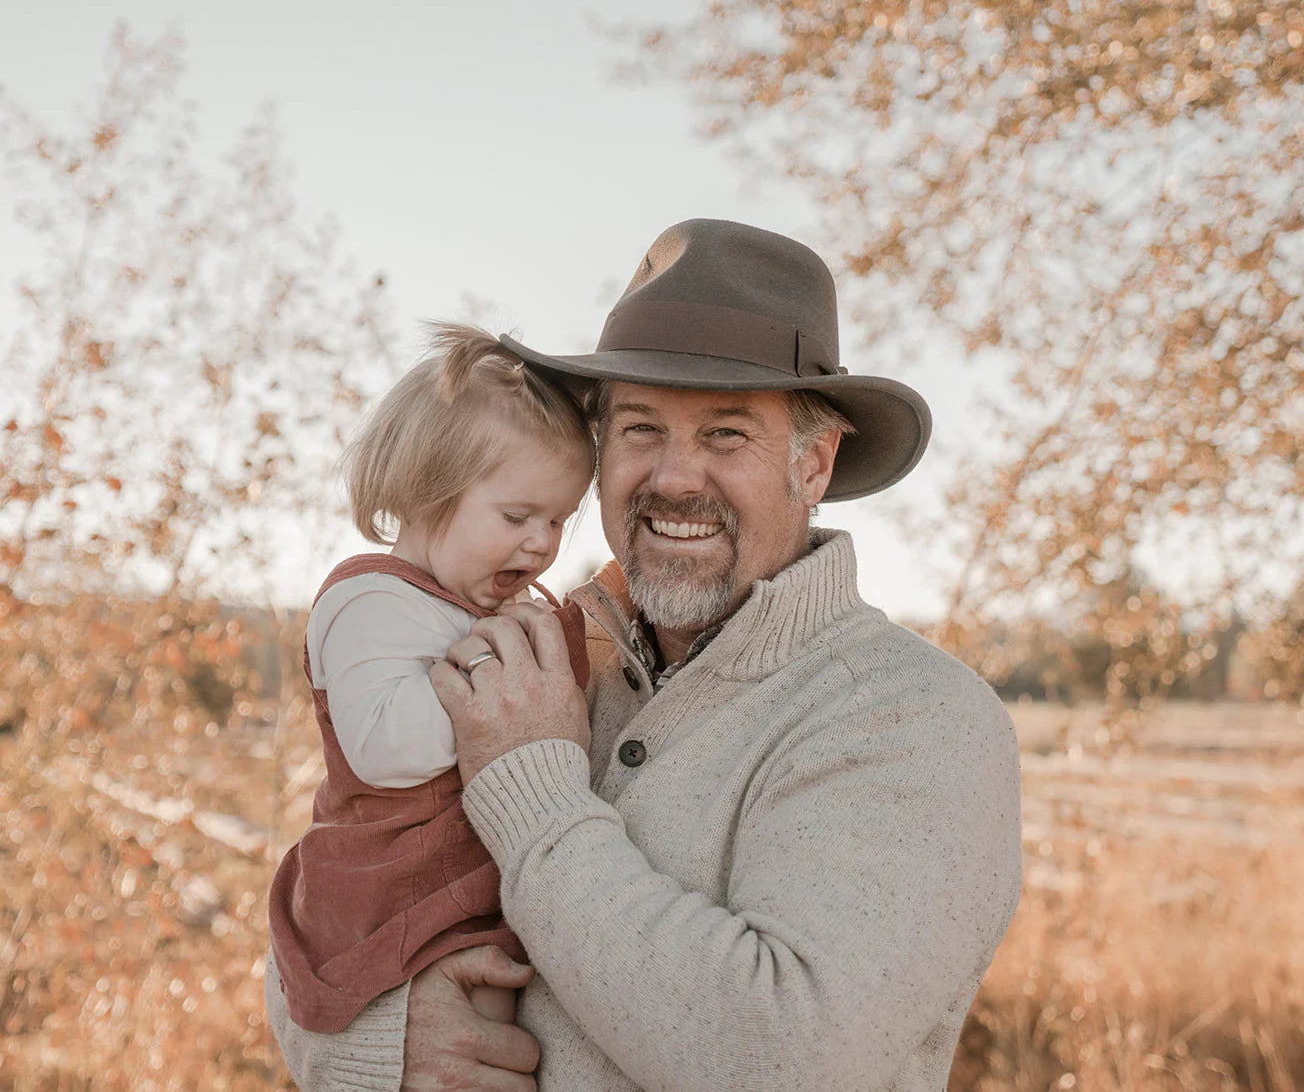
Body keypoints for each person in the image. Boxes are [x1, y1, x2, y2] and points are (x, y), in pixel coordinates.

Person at [285, 218, 1023, 1092]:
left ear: (815, 464)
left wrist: (531, 789)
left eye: (725, 434)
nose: (673, 478)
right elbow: (334, 904)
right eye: (640, 428)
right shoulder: (539, 651)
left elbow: (784, 1059)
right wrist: (381, 1045)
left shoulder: (914, 717)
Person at [264, 324, 595, 1090]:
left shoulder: (479, 605)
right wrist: (503, 667)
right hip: (395, 886)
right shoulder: (371, 600)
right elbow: (388, 748)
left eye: (559, 520)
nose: (542, 544)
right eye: (517, 517)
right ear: (425, 493)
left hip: (457, 887)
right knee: (474, 1035)